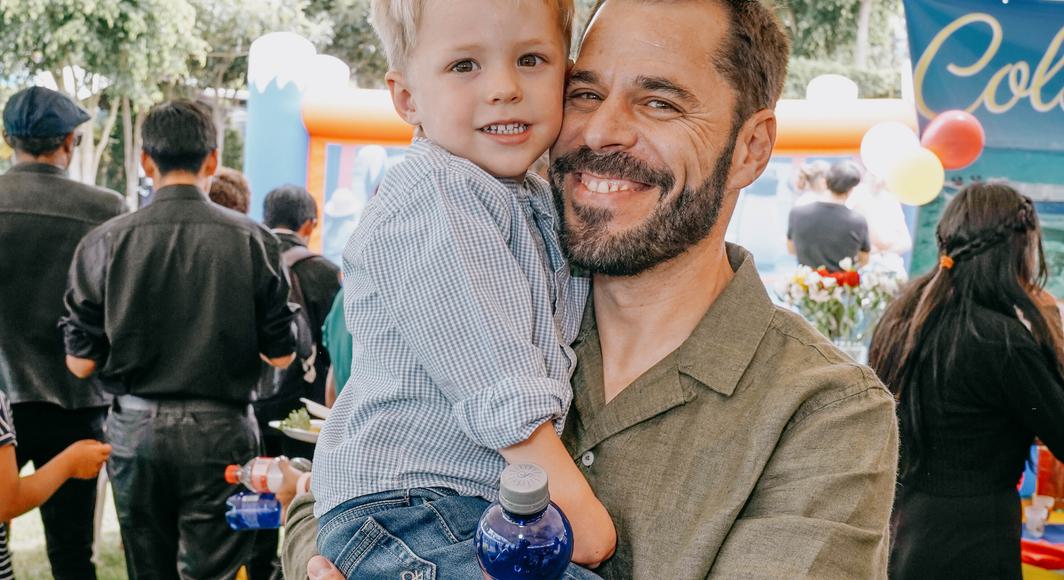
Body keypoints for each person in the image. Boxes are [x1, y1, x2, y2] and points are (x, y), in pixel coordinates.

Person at [295, 0, 898, 578]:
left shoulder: (824, 412)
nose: (602, 132)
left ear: (751, 147)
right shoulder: (499, 278)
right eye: (585, 94)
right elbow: (332, 490)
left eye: (659, 103)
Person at [312, 0, 617, 576]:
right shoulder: (436, 194)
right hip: (407, 506)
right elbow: (497, 383)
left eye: (531, 59)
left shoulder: (522, 195)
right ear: (407, 98)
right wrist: (584, 524)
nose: (504, 87)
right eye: (464, 66)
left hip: (450, 506)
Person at [60, 100, 297, 580]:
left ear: (147, 161)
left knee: (146, 569)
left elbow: (79, 364)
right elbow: (282, 351)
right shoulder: (253, 240)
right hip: (222, 430)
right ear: (213, 159)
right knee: (215, 571)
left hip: (135, 430)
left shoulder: (105, 242)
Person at [869, 183, 1064, 579]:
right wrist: (1050, 329)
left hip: (903, 526)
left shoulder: (903, 317)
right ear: (1018, 250)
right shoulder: (1000, 338)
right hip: (976, 537)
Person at [0, 86, 126, 580]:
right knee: (74, 552)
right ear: (70, 142)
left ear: (9, 140)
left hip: (2, 399)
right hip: (76, 399)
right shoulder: (107, 208)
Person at [250, 184, 340, 580]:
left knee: (256, 484)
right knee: (301, 486)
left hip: (251, 402)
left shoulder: (247, 260)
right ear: (310, 223)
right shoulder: (322, 271)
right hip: (304, 411)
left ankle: (256, 563)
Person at [0, 389, 112, 580]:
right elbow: (5, 502)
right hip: (73, 405)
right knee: (72, 553)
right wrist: (71, 462)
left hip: (75, 404)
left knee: (72, 552)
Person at [787, 160, 871, 271]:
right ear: (850, 189)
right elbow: (864, 260)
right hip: (842, 286)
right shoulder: (857, 221)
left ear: (826, 182)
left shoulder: (797, 213)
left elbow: (791, 249)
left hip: (805, 286)